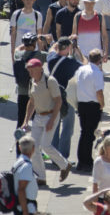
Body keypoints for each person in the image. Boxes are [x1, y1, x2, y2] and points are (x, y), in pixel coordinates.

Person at [20, 57, 72, 185]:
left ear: (40, 69)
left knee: (45, 145)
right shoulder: (32, 82)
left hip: (50, 116)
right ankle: (41, 177)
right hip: (38, 117)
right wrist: (26, 121)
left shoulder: (50, 81)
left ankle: (64, 165)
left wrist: (52, 120)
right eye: (29, 70)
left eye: (32, 70)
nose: (30, 72)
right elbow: (31, 102)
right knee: (34, 147)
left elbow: (58, 101)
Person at [75, 48, 106, 172]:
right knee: (89, 134)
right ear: (99, 60)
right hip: (93, 105)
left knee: (84, 133)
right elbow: (99, 92)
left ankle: (82, 160)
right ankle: (86, 161)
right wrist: (102, 104)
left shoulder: (81, 70)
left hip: (82, 104)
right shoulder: (97, 73)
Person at [14, 135, 41, 215]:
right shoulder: (26, 166)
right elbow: (21, 190)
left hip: (23, 206)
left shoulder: (19, 161)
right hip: (26, 208)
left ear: (20, 148)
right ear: (33, 149)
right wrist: (25, 213)